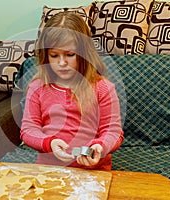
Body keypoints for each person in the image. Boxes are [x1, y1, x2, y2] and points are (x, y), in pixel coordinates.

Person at [20, 11, 124, 170]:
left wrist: (99, 146)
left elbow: (113, 132)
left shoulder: (103, 87)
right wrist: (50, 143)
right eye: (54, 55)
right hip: (49, 170)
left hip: (93, 171)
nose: (62, 63)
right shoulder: (37, 87)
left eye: (70, 55)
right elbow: (28, 130)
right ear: (45, 55)